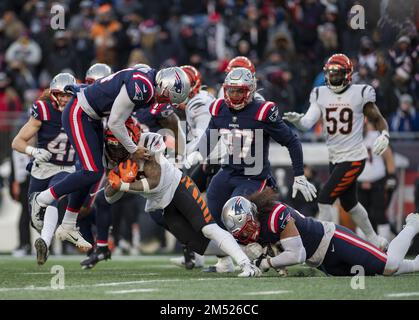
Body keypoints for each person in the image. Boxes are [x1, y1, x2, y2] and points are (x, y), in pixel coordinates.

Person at [29, 66, 191, 250]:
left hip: (92, 117)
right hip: (80, 113)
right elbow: (115, 122)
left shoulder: (147, 78)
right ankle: (41, 199)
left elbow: (112, 103)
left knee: (92, 172)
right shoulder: (144, 86)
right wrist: (133, 147)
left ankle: (68, 224)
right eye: (168, 97)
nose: (166, 102)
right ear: (164, 86)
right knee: (91, 172)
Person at [187, 67, 316, 273]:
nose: (235, 95)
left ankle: (260, 256)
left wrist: (299, 175)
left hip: (253, 176)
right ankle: (227, 262)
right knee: (211, 216)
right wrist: (197, 154)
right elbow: (210, 136)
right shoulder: (219, 108)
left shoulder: (262, 111)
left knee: (237, 217)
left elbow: (292, 140)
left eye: (240, 91)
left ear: (250, 90)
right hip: (228, 171)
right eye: (231, 90)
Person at [105, 131, 261, 277]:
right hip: (162, 203)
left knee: (208, 228)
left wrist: (124, 185)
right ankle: (248, 252)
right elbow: (109, 197)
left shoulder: (146, 142)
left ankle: (246, 265)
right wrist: (117, 183)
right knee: (199, 245)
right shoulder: (111, 158)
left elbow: (155, 182)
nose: (116, 151)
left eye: (119, 145)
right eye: (113, 146)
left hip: (178, 186)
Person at [283, 53, 390, 250]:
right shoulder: (320, 93)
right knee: (350, 204)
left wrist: (384, 133)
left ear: (348, 75)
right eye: (330, 74)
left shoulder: (360, 92)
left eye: (337, 74)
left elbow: (376, 116)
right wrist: (299, 121)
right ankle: (374, 239)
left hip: (354, 157)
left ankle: (320, 245)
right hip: (335, 158)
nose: (333, 78)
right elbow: (307, 122)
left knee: (324, 199)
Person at [221, 189, 419, 277]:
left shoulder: (275, 215)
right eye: (242, 232)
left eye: (248, 227)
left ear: (253, 213)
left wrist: (266, 262)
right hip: (324, 263)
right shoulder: (250, 230)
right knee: (381, 271)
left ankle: (412, 225)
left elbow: (298, 254)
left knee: (389, 265)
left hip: (334, 241)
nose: (247, 234)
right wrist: (253, 260)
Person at [11, 73, 77, 265]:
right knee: (35, 216)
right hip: (43, 166)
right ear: (53, 94)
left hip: (67, 166)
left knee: (52, 197)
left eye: (68, 94)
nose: (65, 98)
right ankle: (45, 239)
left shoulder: (81, 110)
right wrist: (34, 150)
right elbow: (17, 142)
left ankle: (45, 242)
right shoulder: (44, 109)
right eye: (61, 94)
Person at [357, 120, 397, 240]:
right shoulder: (353, 139)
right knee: (361, 216)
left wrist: (391, 177)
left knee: (380, 214)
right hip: (359, 183)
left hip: (378, 182)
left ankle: (383, 247)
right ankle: (362, 247)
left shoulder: (375, 136)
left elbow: (389, 156)